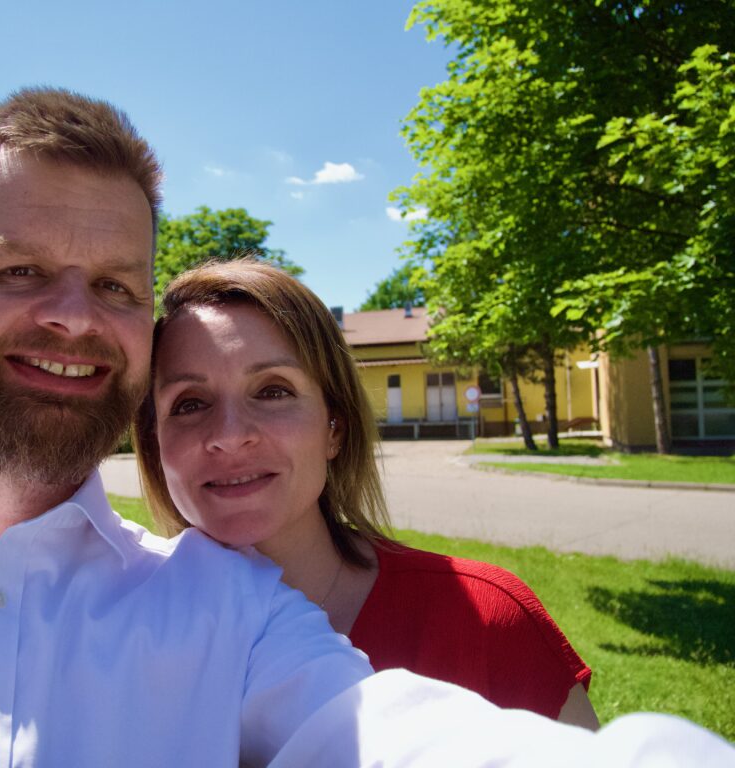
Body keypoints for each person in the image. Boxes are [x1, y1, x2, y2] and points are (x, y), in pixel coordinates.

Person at [0, 88, 732, 768]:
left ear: (338, 424)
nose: (71, 317)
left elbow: (385, 732)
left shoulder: (233, 611)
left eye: (116, 286)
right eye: (20, 270)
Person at [134, 259, 598, 727]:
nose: (230, 436)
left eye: (273, 391)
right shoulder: (119, 637)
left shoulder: (487, 620)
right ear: (155, 443)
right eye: (190, 403)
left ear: (334, 428)